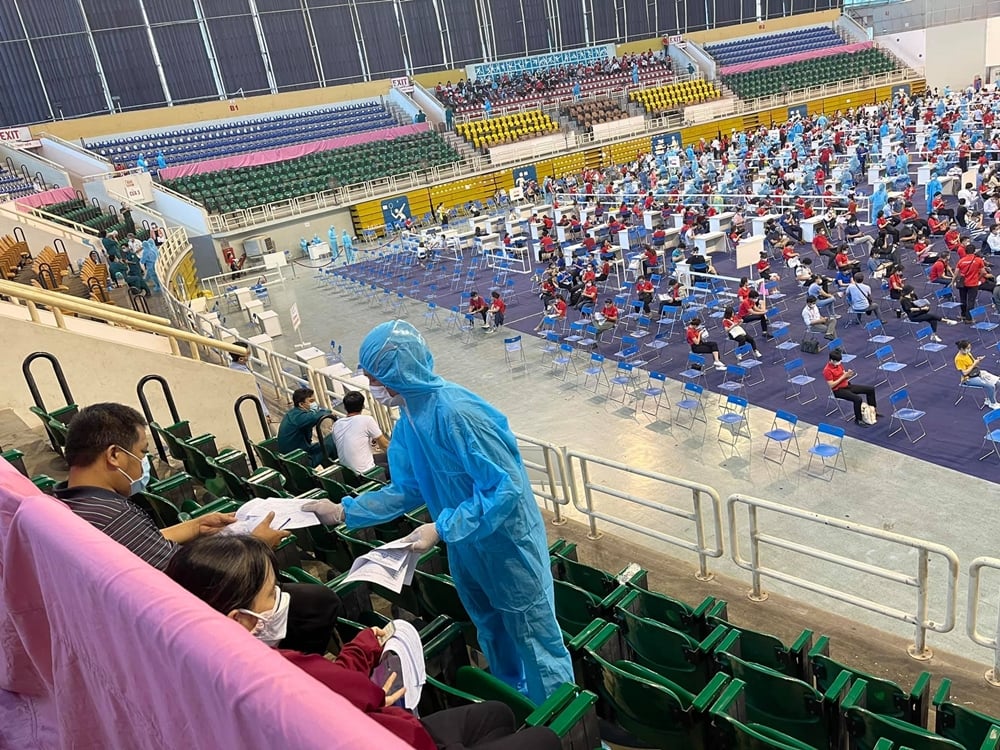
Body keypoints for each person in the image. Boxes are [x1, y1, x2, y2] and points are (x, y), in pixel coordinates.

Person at [303, 322, 574, 704]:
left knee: (535, 638)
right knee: (491, 629)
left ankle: (560, 720)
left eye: (376, 377)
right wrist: (346, 511)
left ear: (399, 371)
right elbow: (406, 488)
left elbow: (505, 489)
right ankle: (517, 702)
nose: (372, 386)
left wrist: (443, 527)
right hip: (467, 548)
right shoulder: (411, 420)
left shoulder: (459, 414)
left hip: (508, 548)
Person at [166, 536, 561, 750]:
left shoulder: (192, 672)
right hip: (397, 737)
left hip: (383, 729)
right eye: (272, 592)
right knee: (545, 738)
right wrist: (371, 682)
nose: (284, 598)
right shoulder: (279, 672)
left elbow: (340, 686)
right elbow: (362, 693)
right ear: (239, 620)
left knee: (495, 714)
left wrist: (365, 649)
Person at [53, 402, 341, 654]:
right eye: (142, 453)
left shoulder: (70, 502)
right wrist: (258, 544)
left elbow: (133, 546)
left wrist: (195, 526)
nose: (144, 463)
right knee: (317, 603)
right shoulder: (115, 515)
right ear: (115, 455)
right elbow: (190, 583)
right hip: (186, 621)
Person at [332, 390, 389, 477]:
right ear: (363, 406)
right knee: (396, 465)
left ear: (345, 407)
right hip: (366, 474)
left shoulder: (336, 424)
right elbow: (384, 445)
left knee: (385, 457)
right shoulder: (367, 420)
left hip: (348, 474)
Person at [277, 387, 337, 467]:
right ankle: (339, 469)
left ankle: (330, 466)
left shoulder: (292, 414)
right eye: (311, 401)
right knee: (334, 437)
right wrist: (328, 411)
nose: (314, 403)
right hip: (301, 461)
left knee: (323, 445)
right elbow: (315, 416)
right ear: (301, 404)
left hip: (292, 457)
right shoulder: (300, 418)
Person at [823, 349, 878, 426]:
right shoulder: (827, 370)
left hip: (847, 385)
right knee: (858, 399)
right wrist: (843, 377)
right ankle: (858, 419)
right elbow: (831, 385)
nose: (839, 363)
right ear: (831, 360)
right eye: (837, 361)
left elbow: (843, 375)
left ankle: (873, 411)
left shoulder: (839, 365)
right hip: (838, 390)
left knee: (870, 389)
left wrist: (848, 375)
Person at [955, 339, 1000, 409]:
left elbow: (973, 363)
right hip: (968, 379)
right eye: (967, 348)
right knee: (991, 386)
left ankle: (989, 399)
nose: (969, 350)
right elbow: (964, 373)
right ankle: (993, 403)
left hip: (977, 372)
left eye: (969, 348)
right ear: (961, 349)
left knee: (998, 383)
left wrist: (978, 360)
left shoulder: (968, 353)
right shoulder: (958, 359)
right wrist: (974, 364)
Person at [229, 346, 271, 422]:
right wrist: (265, 413)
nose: (249, 356)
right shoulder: (243, 374)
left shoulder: (233, 368)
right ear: (241, 359)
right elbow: (255, 394)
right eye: (247, 354)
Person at [956, 246, 988, 322]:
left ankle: (963, 315)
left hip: (963, 283)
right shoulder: (979, 260)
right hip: (973, 284)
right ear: (974, 251)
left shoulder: (961, 260)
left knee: (963, 300)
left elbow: (957, 273)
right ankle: (969, 318)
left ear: (966, 251)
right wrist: (978, 278)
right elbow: (983, 272)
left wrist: (954, 281)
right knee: (971, 301)